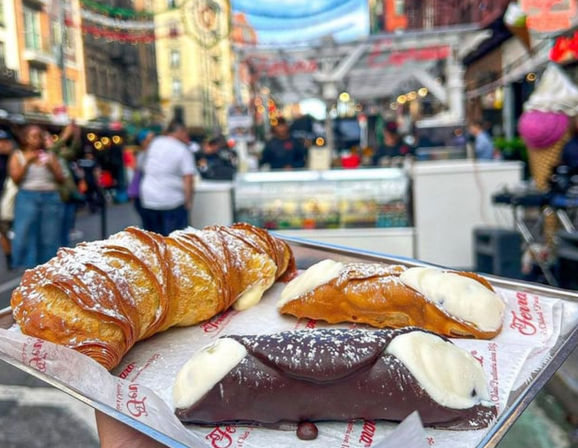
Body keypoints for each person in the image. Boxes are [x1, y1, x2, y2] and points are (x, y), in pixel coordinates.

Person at [9, 125, 65, 268]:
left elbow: (61, 179)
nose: (37, 140)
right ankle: (27, 265)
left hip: (50, 197)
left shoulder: (50, 156)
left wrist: (51, 165)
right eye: (33, 136)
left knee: (49, 235)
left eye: (39, 136)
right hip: (27, 196)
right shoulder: (18, 155)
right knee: (25, 232)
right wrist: (28, 162)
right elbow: (15, 179)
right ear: (25, 138)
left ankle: (48, 266)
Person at [140, 121, 195, 236]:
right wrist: (188, 201)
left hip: (148, 198)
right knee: (173, 242)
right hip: (173, 201)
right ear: (180, 132)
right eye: (185, 133)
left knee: (152, 241)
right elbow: (188, 178)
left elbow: (144, 164)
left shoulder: (155, 143)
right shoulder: (183, 150)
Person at [128, 129, 155, 226]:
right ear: (142, 142)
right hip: (142, 193)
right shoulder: (142, 155)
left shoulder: (145, 154)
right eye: (149, 140)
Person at [0, 130, 15, 269]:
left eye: (5, 141)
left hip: (15, 198)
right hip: (3, 201)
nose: (3, 145)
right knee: (4, 231)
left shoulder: (14, 157)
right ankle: (10, 257)